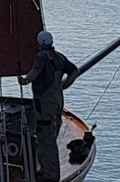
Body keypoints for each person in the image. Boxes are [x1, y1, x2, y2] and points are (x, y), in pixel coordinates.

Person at [17, 30, 80, 182]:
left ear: (40, 43)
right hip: (57, 102)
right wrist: (64, 86)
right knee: (50, 135)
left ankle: (50, 175)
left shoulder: (41, 57)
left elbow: (34, 73)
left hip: (44, 103)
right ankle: (43, 169)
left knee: (45, 138)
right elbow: (74, 71)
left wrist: (24, 80)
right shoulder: (59, 57)